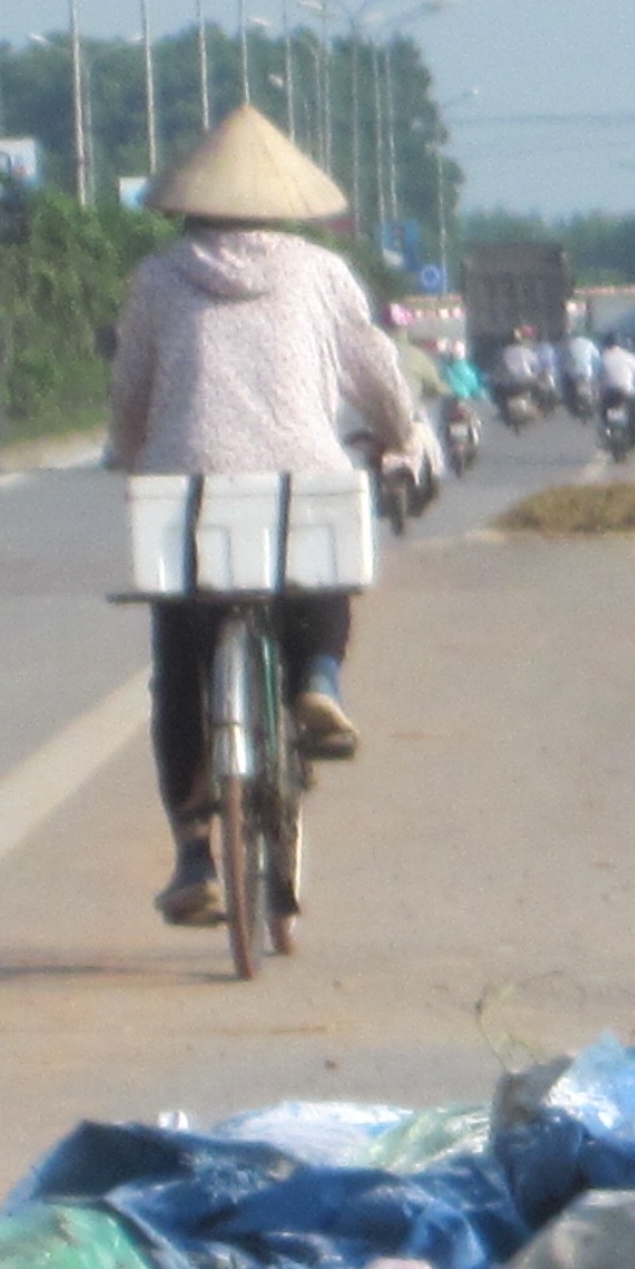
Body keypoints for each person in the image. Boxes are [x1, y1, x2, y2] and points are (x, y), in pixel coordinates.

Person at [104, 105, 418, 928]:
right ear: (282, 204)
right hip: (299, 473)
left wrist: (130, 455)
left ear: (189, 206)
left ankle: (194, 857)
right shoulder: (321, 272)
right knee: (320, 563)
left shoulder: (157, 279)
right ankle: (317, 681)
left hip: (188, 487)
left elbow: (131, 393)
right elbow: (376, 367)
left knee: (181, 666)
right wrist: (403, 437)